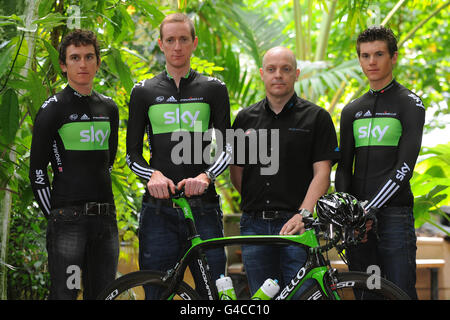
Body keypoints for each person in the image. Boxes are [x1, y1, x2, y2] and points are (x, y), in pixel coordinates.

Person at [126, 13, 231, 299]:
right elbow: (131, 154)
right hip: (158, 211)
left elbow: (229, 147)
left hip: (204, 210)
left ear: (194, 43)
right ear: (160, 44)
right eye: (170, 40)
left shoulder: (214, 89)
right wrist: (153, 175)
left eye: (183, 39)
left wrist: (206, 176)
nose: (177, 46)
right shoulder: (143, 91)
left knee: (213, 296)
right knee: (156, 294)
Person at [230, 46, 339, 296]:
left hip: (298, 227)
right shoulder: (244, 119)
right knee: (262, 298)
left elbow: (322, 174)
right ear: (262, 74)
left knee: (304, 295)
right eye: (271, 69)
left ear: (296, 74)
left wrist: (302, 214)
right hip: (254, 228)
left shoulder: (317, 118)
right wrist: (255, 203)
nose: (278, 75)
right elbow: (237, 173)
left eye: (285, 69)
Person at [335, 26, 425, 300]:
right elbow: (344, 167)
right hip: (359, 224)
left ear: (393, 57)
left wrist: (368, 208)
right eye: (364, 55)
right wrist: (350, 214)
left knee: (400, 292)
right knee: (369, 293)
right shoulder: (351, 110)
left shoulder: (410, 104)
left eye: (378, 54)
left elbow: (405, 168)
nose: (371, 62)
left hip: (394, 216)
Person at [29, 29, 119, 299]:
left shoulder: (110, 108)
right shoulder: (52, 108)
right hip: (68, 222)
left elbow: (108, 160)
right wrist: (56, 216)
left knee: (103, 295)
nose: (83, 64)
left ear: (98, 62)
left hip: (105, 221)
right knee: (66, 294)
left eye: (89, 57)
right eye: (75, 57)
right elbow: (37, 171)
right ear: (63, 65)